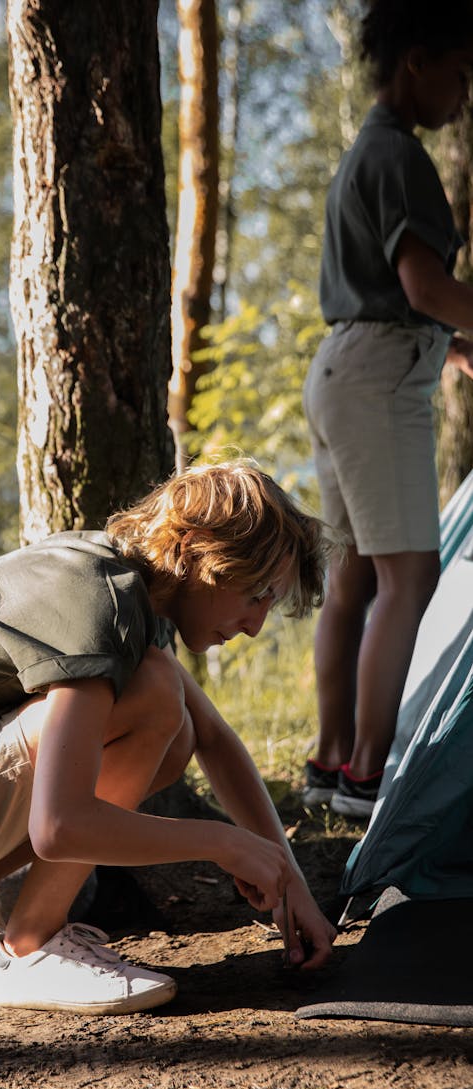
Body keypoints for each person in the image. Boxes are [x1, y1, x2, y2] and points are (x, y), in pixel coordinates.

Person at [0, 461, 336, 1016]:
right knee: (156, 697)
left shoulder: (135, 595)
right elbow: (59, 827)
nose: (256, 624)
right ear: (195, 550)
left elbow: (215, 740)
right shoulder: (100, 601)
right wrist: (226, 844)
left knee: (175, 730)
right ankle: (29, 948)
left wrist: (288, 879)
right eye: (255, 595)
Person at [302, 0, 473, 819]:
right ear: (417, 62)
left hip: (340, 369)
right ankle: (370, 775)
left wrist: (457, 344)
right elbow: (424, 288)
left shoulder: (363, 154)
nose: (463, 94)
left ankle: (333, 760)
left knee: (354, 578)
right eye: (458, 73)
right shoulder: (400, 157)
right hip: (376, 378)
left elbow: (399, 298)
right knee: (411, 573)